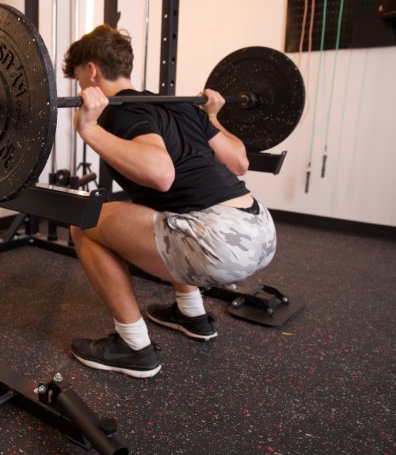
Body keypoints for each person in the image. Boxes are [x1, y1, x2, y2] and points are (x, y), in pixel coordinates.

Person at [63, 25, 277, 379]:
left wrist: (89, 129)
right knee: (159, 213)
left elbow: (161, 174)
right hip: (260, 229)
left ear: (92, 71)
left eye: (78, 79)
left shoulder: (121, 111)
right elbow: (240, 162)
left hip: (219, 242)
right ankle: (192, 314)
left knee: (84, 221)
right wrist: (212, 116)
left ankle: (133, 347)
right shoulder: (179, 106)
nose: (81, 87)